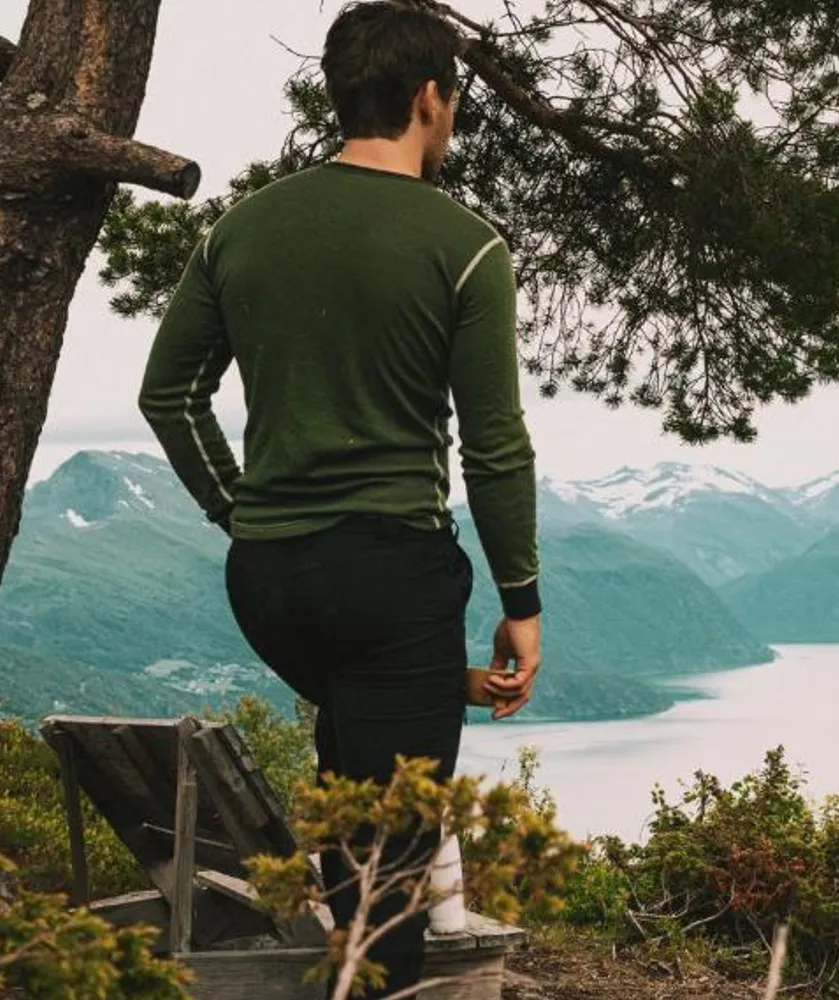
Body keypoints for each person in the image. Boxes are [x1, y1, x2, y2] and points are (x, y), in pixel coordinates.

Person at [136, 3, 543, 995]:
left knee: (350, 783)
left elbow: (168, 395)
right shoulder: (466, 245)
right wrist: (521, 603)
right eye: (452, 101)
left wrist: (240, 514)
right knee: (395, 864)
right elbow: (494, 448)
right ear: (428, 98)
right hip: (390, 574)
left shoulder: (241, 227)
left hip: (270, 583)